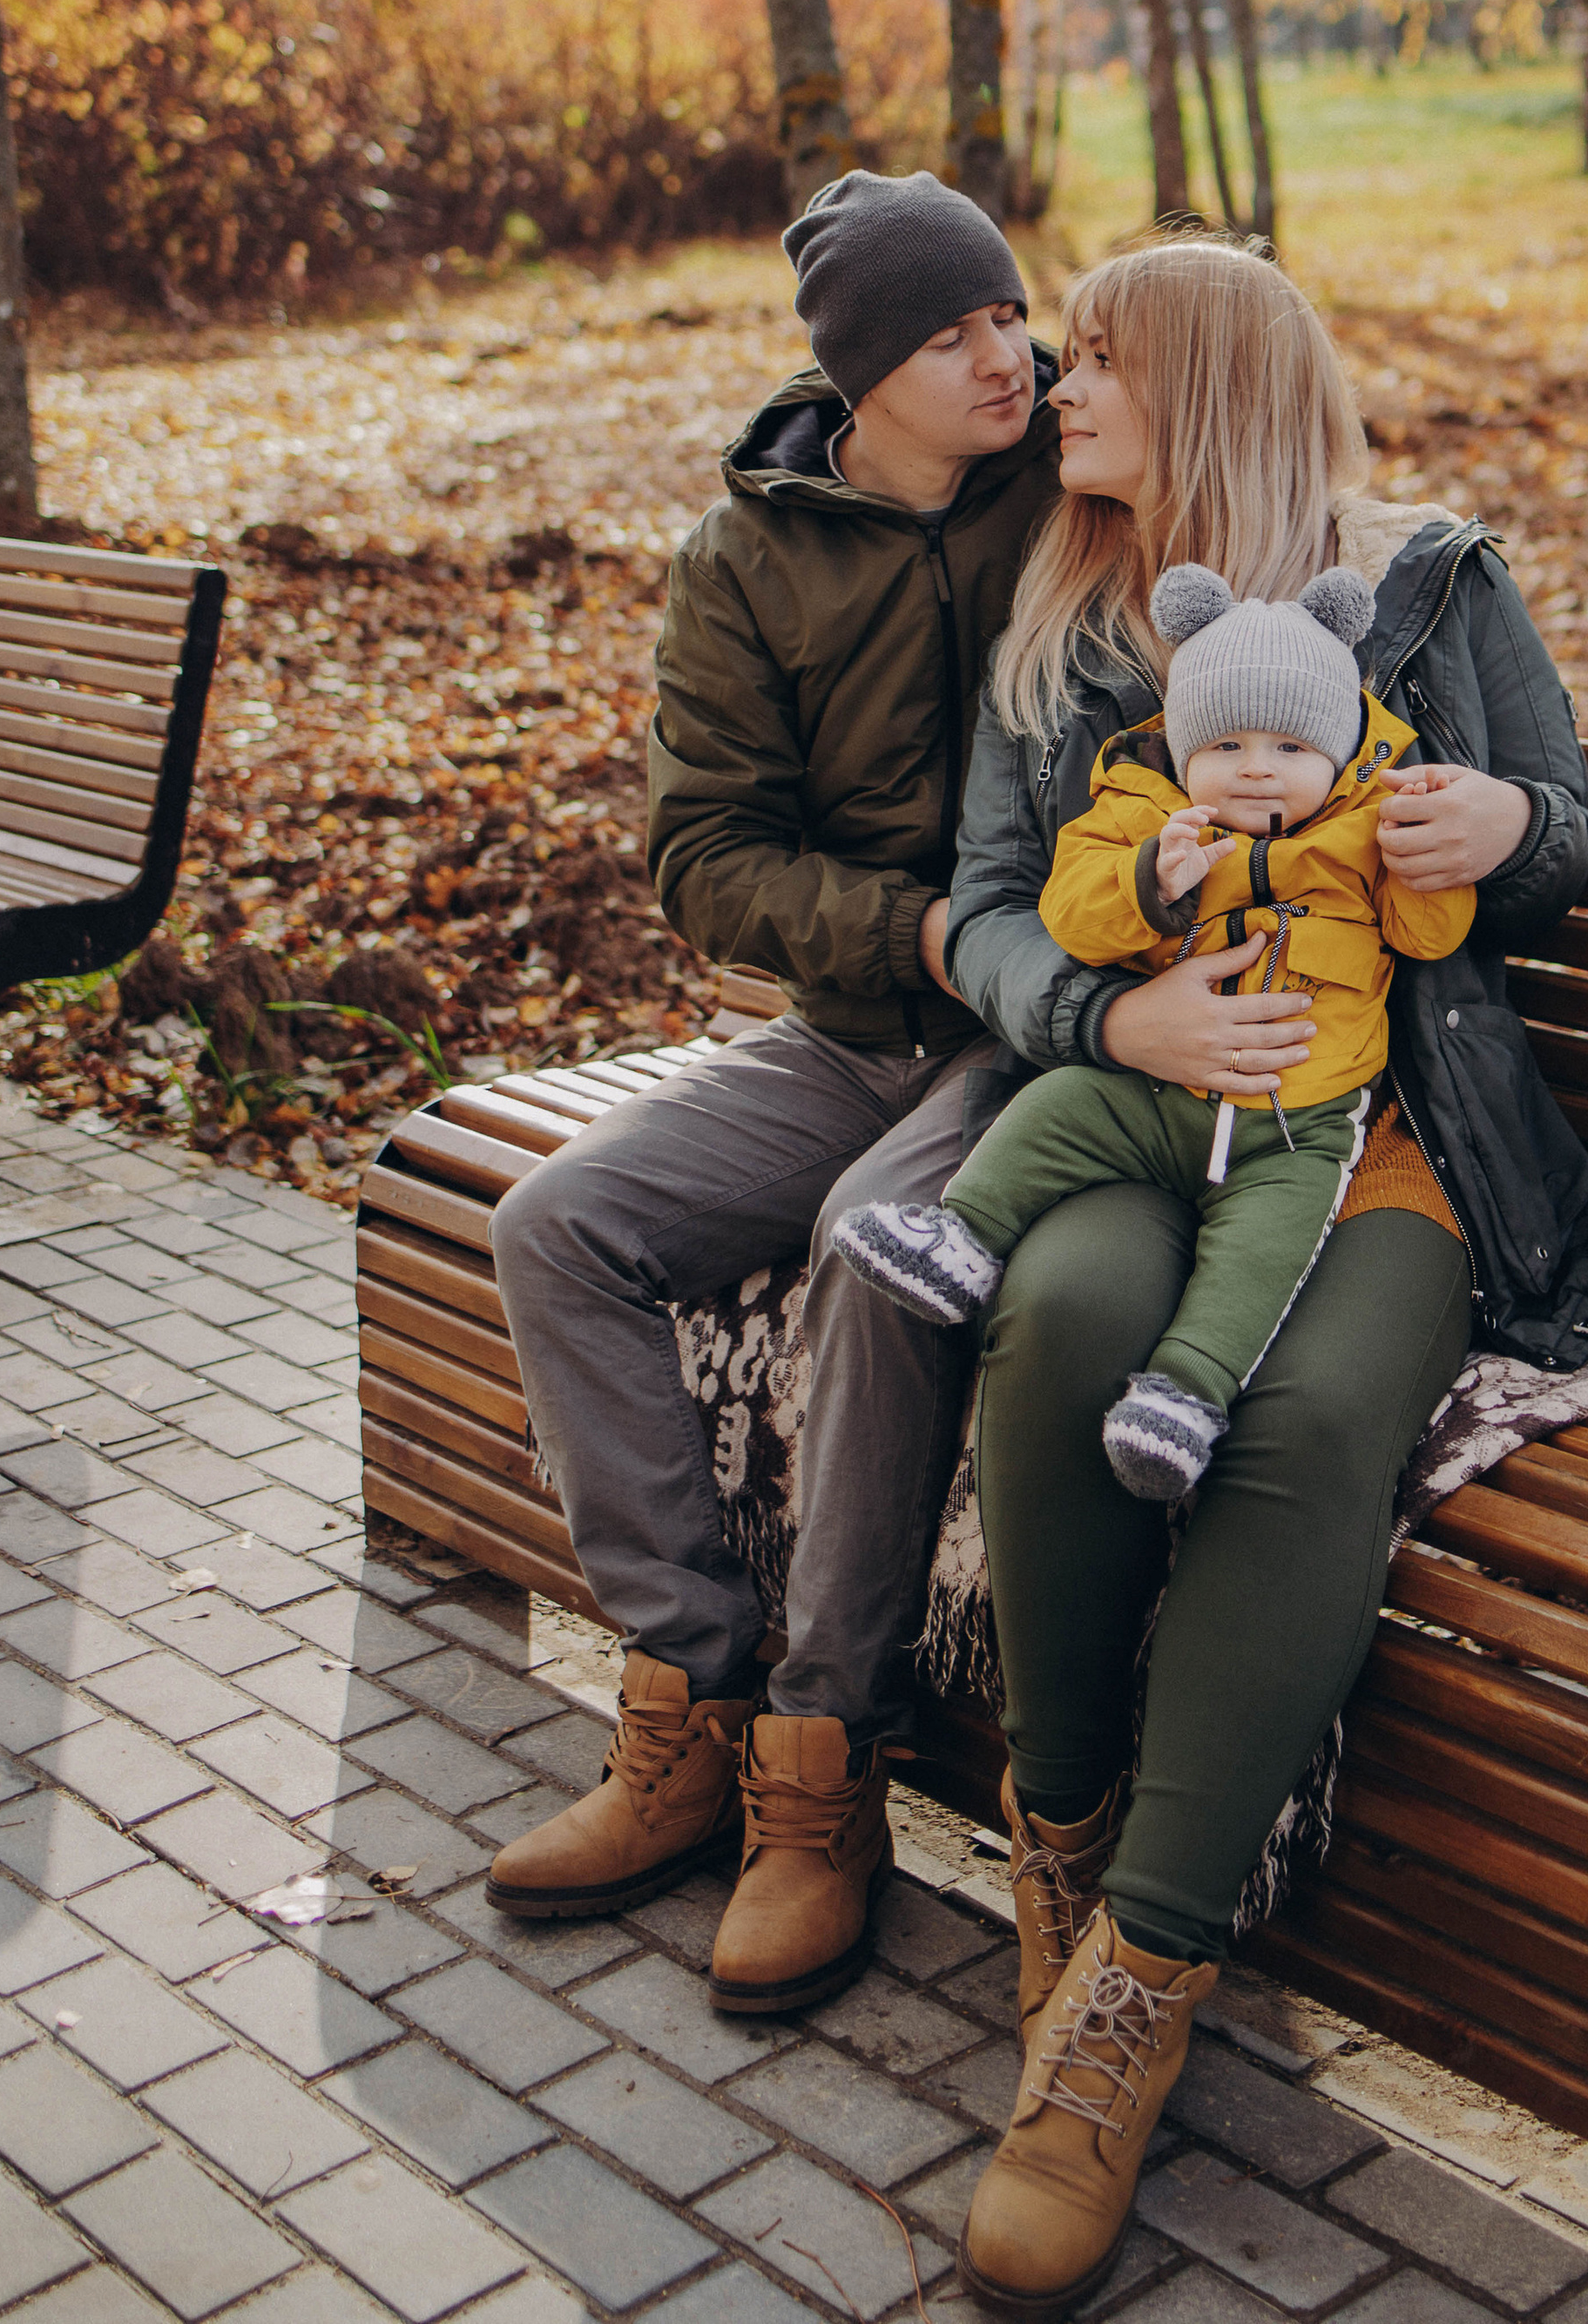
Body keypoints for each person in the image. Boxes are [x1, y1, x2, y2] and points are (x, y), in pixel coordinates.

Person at [935, 235, 1588, 2321]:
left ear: (1218, 384)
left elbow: (1560, 844)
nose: (1056, 391)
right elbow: (981, 909)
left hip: (1380, 1137)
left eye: (1097, 362)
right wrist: (1106, 1022)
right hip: (1151, 1106)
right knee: (1060, 1318)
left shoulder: (1427, 582)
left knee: (1311, 1416)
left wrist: (1495, 816)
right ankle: (1049, 1830)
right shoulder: (1063, 619)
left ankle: (1135, 1983)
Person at [483, 166, 1060, 2021]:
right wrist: (910, 934)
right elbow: (704, 857)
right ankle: (686, 1710)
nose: (1006, 354)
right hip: (863, 1018)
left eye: (1007, 314)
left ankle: (823, 1782)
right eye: (955, 331)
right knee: (555, 1223)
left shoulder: (1067, 499)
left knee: (864, 1242)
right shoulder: (742, 562)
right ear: (862, 373)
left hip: (1032, 1031)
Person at [836, 560, 1474, 1500]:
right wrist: (1151, 880)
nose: (1256, 764)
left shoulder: (1365, 827)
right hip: (1150, 1091)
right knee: (1052, 1109)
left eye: (1291, 748)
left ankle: (1185, 1395)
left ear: (1337, 756)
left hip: (1294, 1125)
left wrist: (1424, 864)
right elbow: (1070, 914)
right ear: (1181, 749)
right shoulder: (1140, 813)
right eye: (1225, 743)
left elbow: (1427, 938)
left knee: (1264, 1254)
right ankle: (959, 1240)